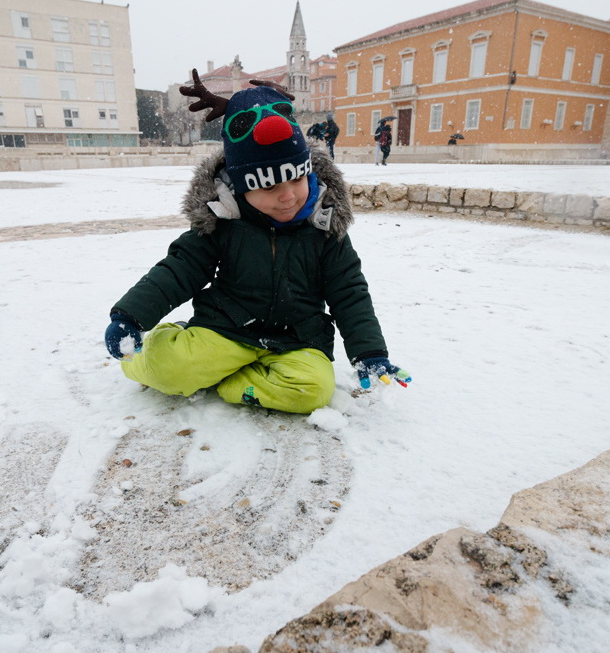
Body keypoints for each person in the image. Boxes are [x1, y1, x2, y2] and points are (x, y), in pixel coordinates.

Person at [102, 71, 410, 415]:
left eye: (297, 179)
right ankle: (154, 352)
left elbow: (349, 291)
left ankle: (230, 382)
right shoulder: (223, 220)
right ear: (242, 188)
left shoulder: (325, 224)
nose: (288, 196)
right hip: (227, 330)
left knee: (312, 391)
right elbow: (180, 269)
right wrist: (131, 315)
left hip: (298, 338)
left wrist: (369, 353)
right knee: (167, 368)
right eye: (269, 187)